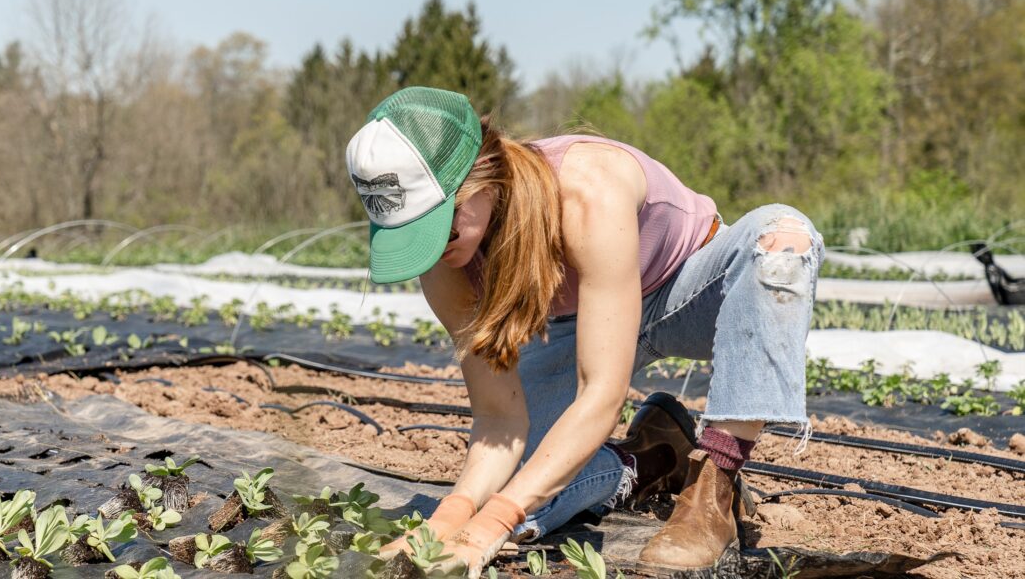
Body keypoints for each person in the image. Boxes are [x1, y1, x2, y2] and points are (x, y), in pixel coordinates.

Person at [345, 87, 823, 575]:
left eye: (439, 227)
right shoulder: (445, 264)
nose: (434, 249)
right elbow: (499, 420)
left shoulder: (584, 189)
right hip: (583, 324)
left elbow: (602, 394)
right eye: (411, 236)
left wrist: (494, 522)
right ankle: (650, 459)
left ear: (481, 178)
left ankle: (714, 486)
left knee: (782, 239)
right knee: (523, 481)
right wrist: (454, 516)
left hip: (688, 291)